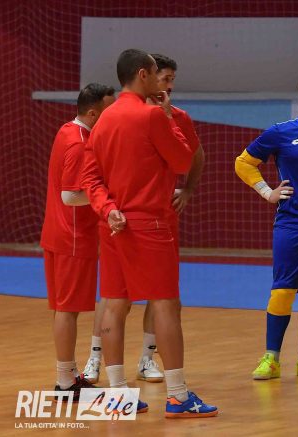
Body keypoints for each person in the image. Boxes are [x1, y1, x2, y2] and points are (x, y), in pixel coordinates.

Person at [81, 48, 218, 417]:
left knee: (114, 304)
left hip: (112, 224)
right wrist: (169, 118)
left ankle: (117, 394)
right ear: (142, 74)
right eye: (157, 73)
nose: (161, 81)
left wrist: (108, 210)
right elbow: (183, 160)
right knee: (165, 305)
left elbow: (90, 179)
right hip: (150, 224)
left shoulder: (104, 119)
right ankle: (178, 396)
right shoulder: (153, 115)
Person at [235, 74, 298, 380]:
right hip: (292, 223)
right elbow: (243, 163)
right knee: (282, 291)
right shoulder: (280, 133)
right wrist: (267, 192)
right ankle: (272, 358)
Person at [40, 83, 115, 400]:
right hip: (72, 237)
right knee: (67, 310)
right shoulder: (79, 143)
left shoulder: (66, 130)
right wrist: (109, 197)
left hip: (58, 233)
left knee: (63, 309)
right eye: (109, 110)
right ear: (94, 112)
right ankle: (65, 382)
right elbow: (70, 196)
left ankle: (68, 376)